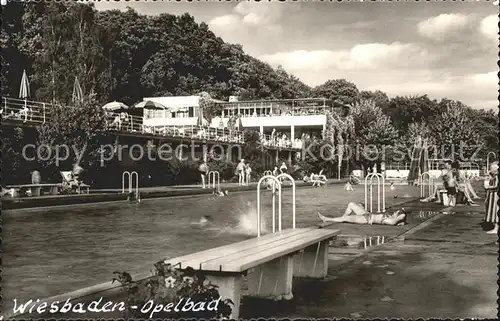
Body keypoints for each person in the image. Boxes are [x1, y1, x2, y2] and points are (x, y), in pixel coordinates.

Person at [318, 202, 407, 226]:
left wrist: (402, 216)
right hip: (367, 214)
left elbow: (395, 221)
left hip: (365, 219)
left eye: (397, 213)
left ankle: (327, 219)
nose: (394, 212)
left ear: (399, 217)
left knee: (345, 219)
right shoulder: (390, 217)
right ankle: (341, 218)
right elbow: (399, 220)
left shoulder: (390, 221)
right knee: (351, 204)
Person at [484, 162, 498, 234]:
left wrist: (488, 187)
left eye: (491, 168)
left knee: (495, 211)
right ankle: (495, 227)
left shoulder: (497, 176)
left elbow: (496, 185)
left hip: (495, 195)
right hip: (493, 194)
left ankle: (496, 228)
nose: (490, 170)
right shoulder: (494, 176)